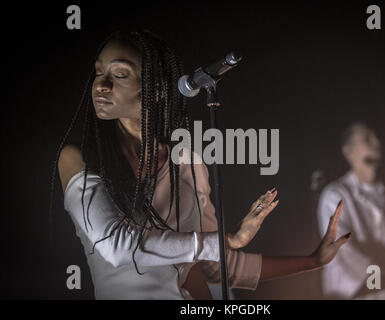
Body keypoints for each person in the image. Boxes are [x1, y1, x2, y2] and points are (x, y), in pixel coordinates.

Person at [51, 29, 350, 300]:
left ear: (155, 90)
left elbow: (221, 267)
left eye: (119, 74)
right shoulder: (78, 159)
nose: (100, 85)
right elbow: (117, 247)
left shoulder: (190, 164)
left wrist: (314, 261)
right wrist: (227, 239)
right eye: (99, 72)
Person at [317, 122, 385, 299]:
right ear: (348, 151)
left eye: (377, 137)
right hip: (351, 294)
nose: (377, 142)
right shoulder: (335, 196)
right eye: (367, 139)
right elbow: (344, 252)